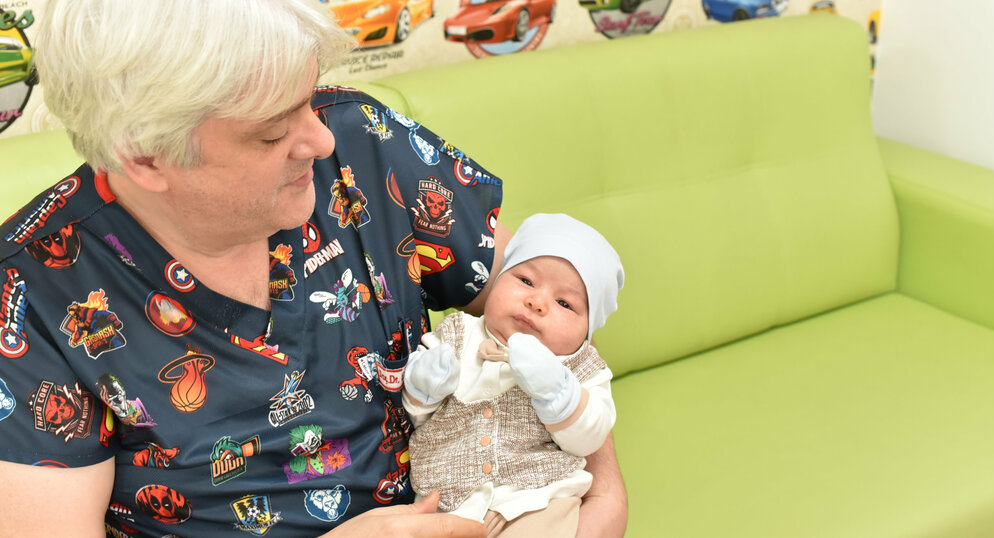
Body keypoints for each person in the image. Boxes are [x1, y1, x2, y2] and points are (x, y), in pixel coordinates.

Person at [0, 0, 627, 536]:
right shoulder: (33, 294)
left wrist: (599, 492)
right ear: (146, 156)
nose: (320, 141)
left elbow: (542, 305)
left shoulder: (362, 142)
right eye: (272, 133)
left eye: (307, 97)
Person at [403, 214, 624, 537]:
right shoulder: (457, 334)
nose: (537, 302)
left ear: (587, 332)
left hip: (538, 502)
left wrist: (558, 391)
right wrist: (425, 386)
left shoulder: (582, 368)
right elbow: (416, 417)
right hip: (448, 505)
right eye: (526, 281)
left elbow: (588, 438)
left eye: (564, 303)